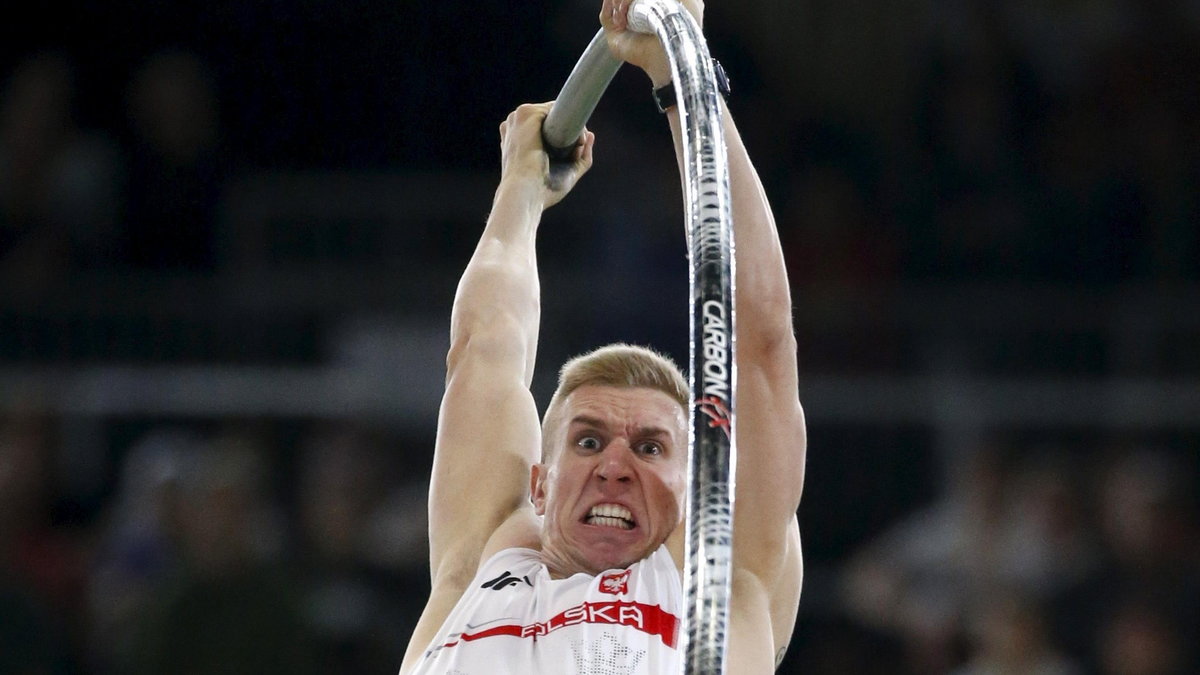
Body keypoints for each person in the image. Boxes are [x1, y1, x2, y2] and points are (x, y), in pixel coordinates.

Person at [399, 1, 806, 672]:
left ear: (696, 486)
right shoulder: (478, 567)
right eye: (589, 439)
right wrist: (520, 192)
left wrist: (687, 85)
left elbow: (760, 339)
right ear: (539, 482)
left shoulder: (717, 579)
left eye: (650, 447)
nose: (615, 465)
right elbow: (482, 349)